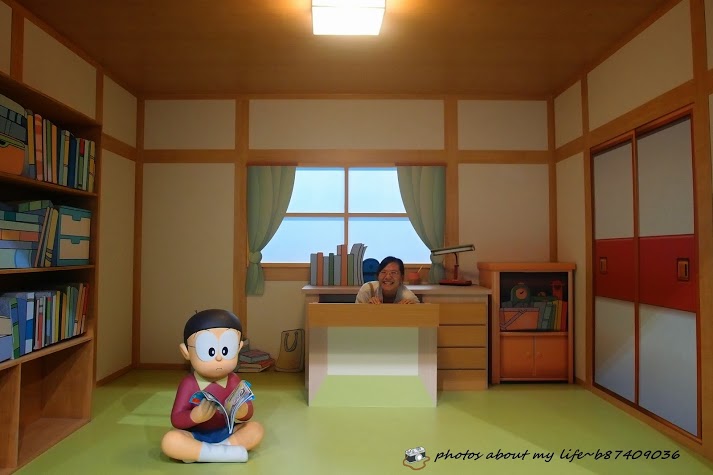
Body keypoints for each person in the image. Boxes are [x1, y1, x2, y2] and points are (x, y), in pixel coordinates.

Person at [161, 309, 264, 463]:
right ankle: (226, 452)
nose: (218, 357)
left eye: (226, 350)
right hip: (195, 434)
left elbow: (248, 413)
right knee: (170, 441)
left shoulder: (233, 380)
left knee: (256, 429)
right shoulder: (189, 383)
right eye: (209, 351)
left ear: (238, 348)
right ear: (186, 352)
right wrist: (195, 416)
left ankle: (204, 452)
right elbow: (176, 419)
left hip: (227, 432)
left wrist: (241, 410)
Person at [355, 256, 420, 304]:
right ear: (377, 276)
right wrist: (368, 307)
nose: (388, 277)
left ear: (401, 278)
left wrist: (408, 309)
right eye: (383, 272)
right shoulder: (368, 290)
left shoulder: (408, 297)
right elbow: (356, 315)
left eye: (393, 273)